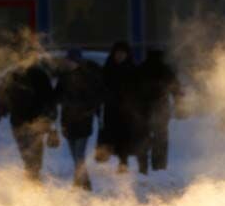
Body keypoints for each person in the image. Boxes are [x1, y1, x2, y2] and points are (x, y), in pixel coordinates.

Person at [4, 57, 59, 181]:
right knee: (34, 156)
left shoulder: (14, 75)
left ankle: (32, 180)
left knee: (28, 156)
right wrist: (51, 120)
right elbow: (50, 100)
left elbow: (5, 97)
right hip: (33, 123)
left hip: (22, 122)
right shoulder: (39, 75)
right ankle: (33, 180)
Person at [56, 49, 103, 190]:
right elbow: (57, 95)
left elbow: (95, 98)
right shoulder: (64, 77)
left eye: (70, 60)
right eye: (68, 60)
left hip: (82, 122)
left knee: (79, 155)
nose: (68, 63)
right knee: (76, 156)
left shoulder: (87, 77)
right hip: (69, 121)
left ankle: (80, 184)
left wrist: (87, 111)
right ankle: (84, 182)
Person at [101, 41, 148, 173]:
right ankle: (119, 161)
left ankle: (124, 162)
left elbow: (139, 90)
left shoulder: (133, 70)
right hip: (112, 110)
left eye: (122, 54)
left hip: (128, 110)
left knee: (127, 137)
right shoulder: (107, 69)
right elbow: (101, 87)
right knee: (113, 136)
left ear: (127, 55)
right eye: (118, 53)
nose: (120, 56)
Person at [138, 49, 179, 172]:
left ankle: (143, 165)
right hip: (161, 108)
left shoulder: (141, 69)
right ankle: (159, 165)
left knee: (143, 137)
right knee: (161, 137)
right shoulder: (166, 70)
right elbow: (175, 88)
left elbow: (134, 89)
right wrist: (178, 101)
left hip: (144, 109)